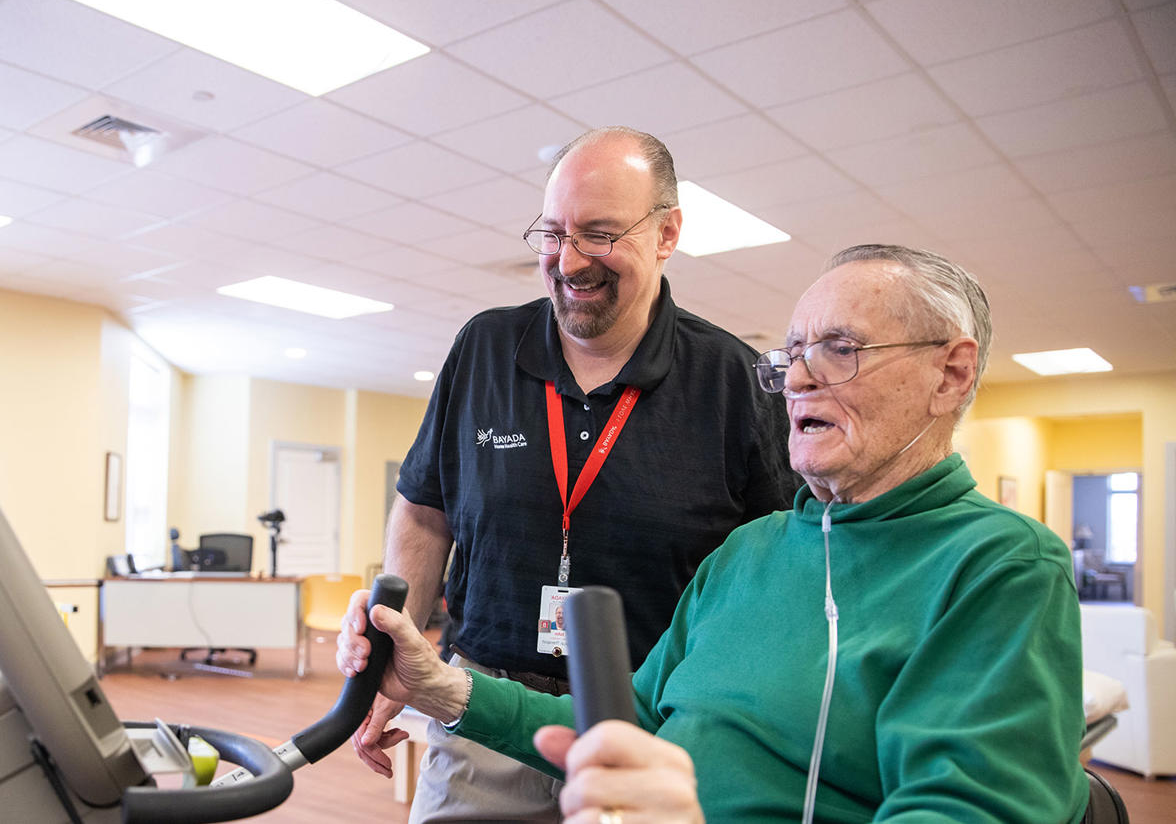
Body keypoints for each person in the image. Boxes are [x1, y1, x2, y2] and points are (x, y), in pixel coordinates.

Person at [340, 245, 1088, 823]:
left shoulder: (1000, 567)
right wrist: (438, 687)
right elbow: (628, 720)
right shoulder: (749, 551)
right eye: (792, 355)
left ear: (951, 375)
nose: (798, 379)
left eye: (840, 349)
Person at [362, 126, 797, 822]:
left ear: (666, 234)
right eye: (554, 233)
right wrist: (396, 653)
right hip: (480, 707)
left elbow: (782, 567)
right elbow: (424, 510)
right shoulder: (486, 347)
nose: (569, 261)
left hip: (651, 723)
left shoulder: (730, 380)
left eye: (598, 234)